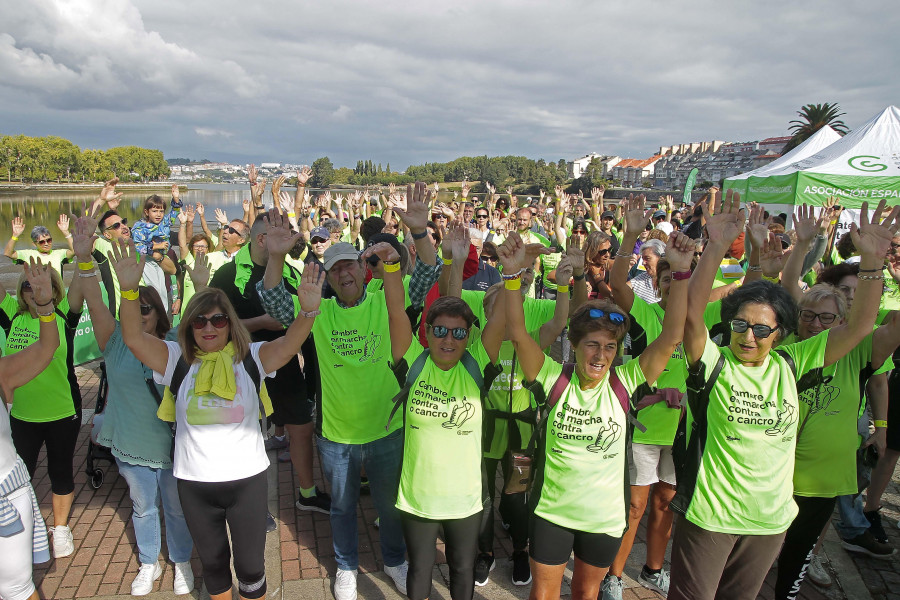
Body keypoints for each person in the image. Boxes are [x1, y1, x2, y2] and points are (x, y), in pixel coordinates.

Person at [668, 192, 899, 600]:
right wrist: (717, 245)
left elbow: (861, 324)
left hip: (770, 520)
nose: (749, 336)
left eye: (762, 329)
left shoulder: (792, 364)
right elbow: (690, 313)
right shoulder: (714, 364)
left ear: (779, 334)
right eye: (741, 325)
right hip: (710, 517)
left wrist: (873, 264)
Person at [109, 234, 324, 600]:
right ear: (189, 326)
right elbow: (132, 338)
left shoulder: (251, 358)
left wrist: (307, 312)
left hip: (247, 482)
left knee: (252, 568)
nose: (209, 328)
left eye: (219, 320)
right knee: (212, 564)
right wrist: (129, 293)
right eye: (200, 321)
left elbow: (288, 345)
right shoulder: (177, 359)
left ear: (230, 324)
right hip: (195, 484)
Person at [258, 184, 440, 600]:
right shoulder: (315, 311)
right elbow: (271, 298)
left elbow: (428, 272)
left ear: (364, 271)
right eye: (335, 269)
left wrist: (418, 233)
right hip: (337, 436)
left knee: (389, 508)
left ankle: (394, 561)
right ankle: (344, 567)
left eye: (350, 266)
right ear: (329, 278)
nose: (344, 274)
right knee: (341, 508)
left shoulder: (385, 299)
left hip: (387, 430)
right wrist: (274, 256)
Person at [497, 228, 692, 600]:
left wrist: (681, 275)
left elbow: (670, 338)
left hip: (603, 519)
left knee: (586, 594)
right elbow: (520, 333)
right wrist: (510, 278)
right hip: (552, 513)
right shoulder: (554, 378)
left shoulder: (625, 381)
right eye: (591, 345)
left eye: (609, 347)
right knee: (544, 595)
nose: (600, 356)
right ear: (573, 345)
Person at [601, 196, 722, 600]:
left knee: (666, 504)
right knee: (633, 508)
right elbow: (617, 284)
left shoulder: (702, 322)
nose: (672, 283)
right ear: (657, 284)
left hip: (682, 434)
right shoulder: (647, 316)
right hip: (643, 431)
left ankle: (653, 569)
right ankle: (614, 576)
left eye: (679, 277)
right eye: (665, 278)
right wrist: (630, 236)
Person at [375, 233, 503, 600]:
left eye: (459, 333)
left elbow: (501, 320)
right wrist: (393, 266)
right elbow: (396, 311)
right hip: (418, 496)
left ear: (469, 338)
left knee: (463, 570)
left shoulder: (476, 365)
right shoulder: (413, 362)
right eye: (440, 330)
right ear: (427, 333)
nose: (449, 339)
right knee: (420, 569)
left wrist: (510, 276)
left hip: (464, 498)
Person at [72, 216, 196, 596]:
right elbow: (94, 300)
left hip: (173, 447)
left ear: (159, 313)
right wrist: (84, 261)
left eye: (146, 308)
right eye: (134, 306)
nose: (140, 313)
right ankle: (148, 562)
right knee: (142, 509)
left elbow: (205, 323)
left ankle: (182, 562)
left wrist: (201, 284)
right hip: (132, 444)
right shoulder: (115, 342)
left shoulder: (176, 342)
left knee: (176, 510)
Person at [209, 214, 329, 514]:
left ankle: (307, 493)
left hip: (283, 362)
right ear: (263, 239)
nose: (293, 239)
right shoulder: (227, 275)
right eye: (284, 234)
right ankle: (235, 499)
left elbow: (300, 316)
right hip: (238, 366)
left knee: (301, 426)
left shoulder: (289, 271)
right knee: (239, 433)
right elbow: (208, 326)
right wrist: (260, 322)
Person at [1, 243, 86, 560]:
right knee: (20, 473)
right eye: (27, 285)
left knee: (60, 470)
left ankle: (60, 528)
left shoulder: (63, 315)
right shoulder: (11, 315)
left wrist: (84, 251)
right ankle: (21, 525)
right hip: (22, 414)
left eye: (43, 285)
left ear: (53, 290)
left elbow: (81, 279)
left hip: (62, 411)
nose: (34, 290)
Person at [0, 259, 60, 600]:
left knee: (16, 590)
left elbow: (46, 348)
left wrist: (44, 305)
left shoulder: (2, 374)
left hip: (5, 497)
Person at [4, 215, 75, 275]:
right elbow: (8, 253)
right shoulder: (28, 254)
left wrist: (66, 232)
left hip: (56, 290)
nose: (46, 244)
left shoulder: (59, 253)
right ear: (34, 244)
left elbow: (74, 251)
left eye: (49, 240)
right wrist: (15, 236)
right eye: (42, 242)